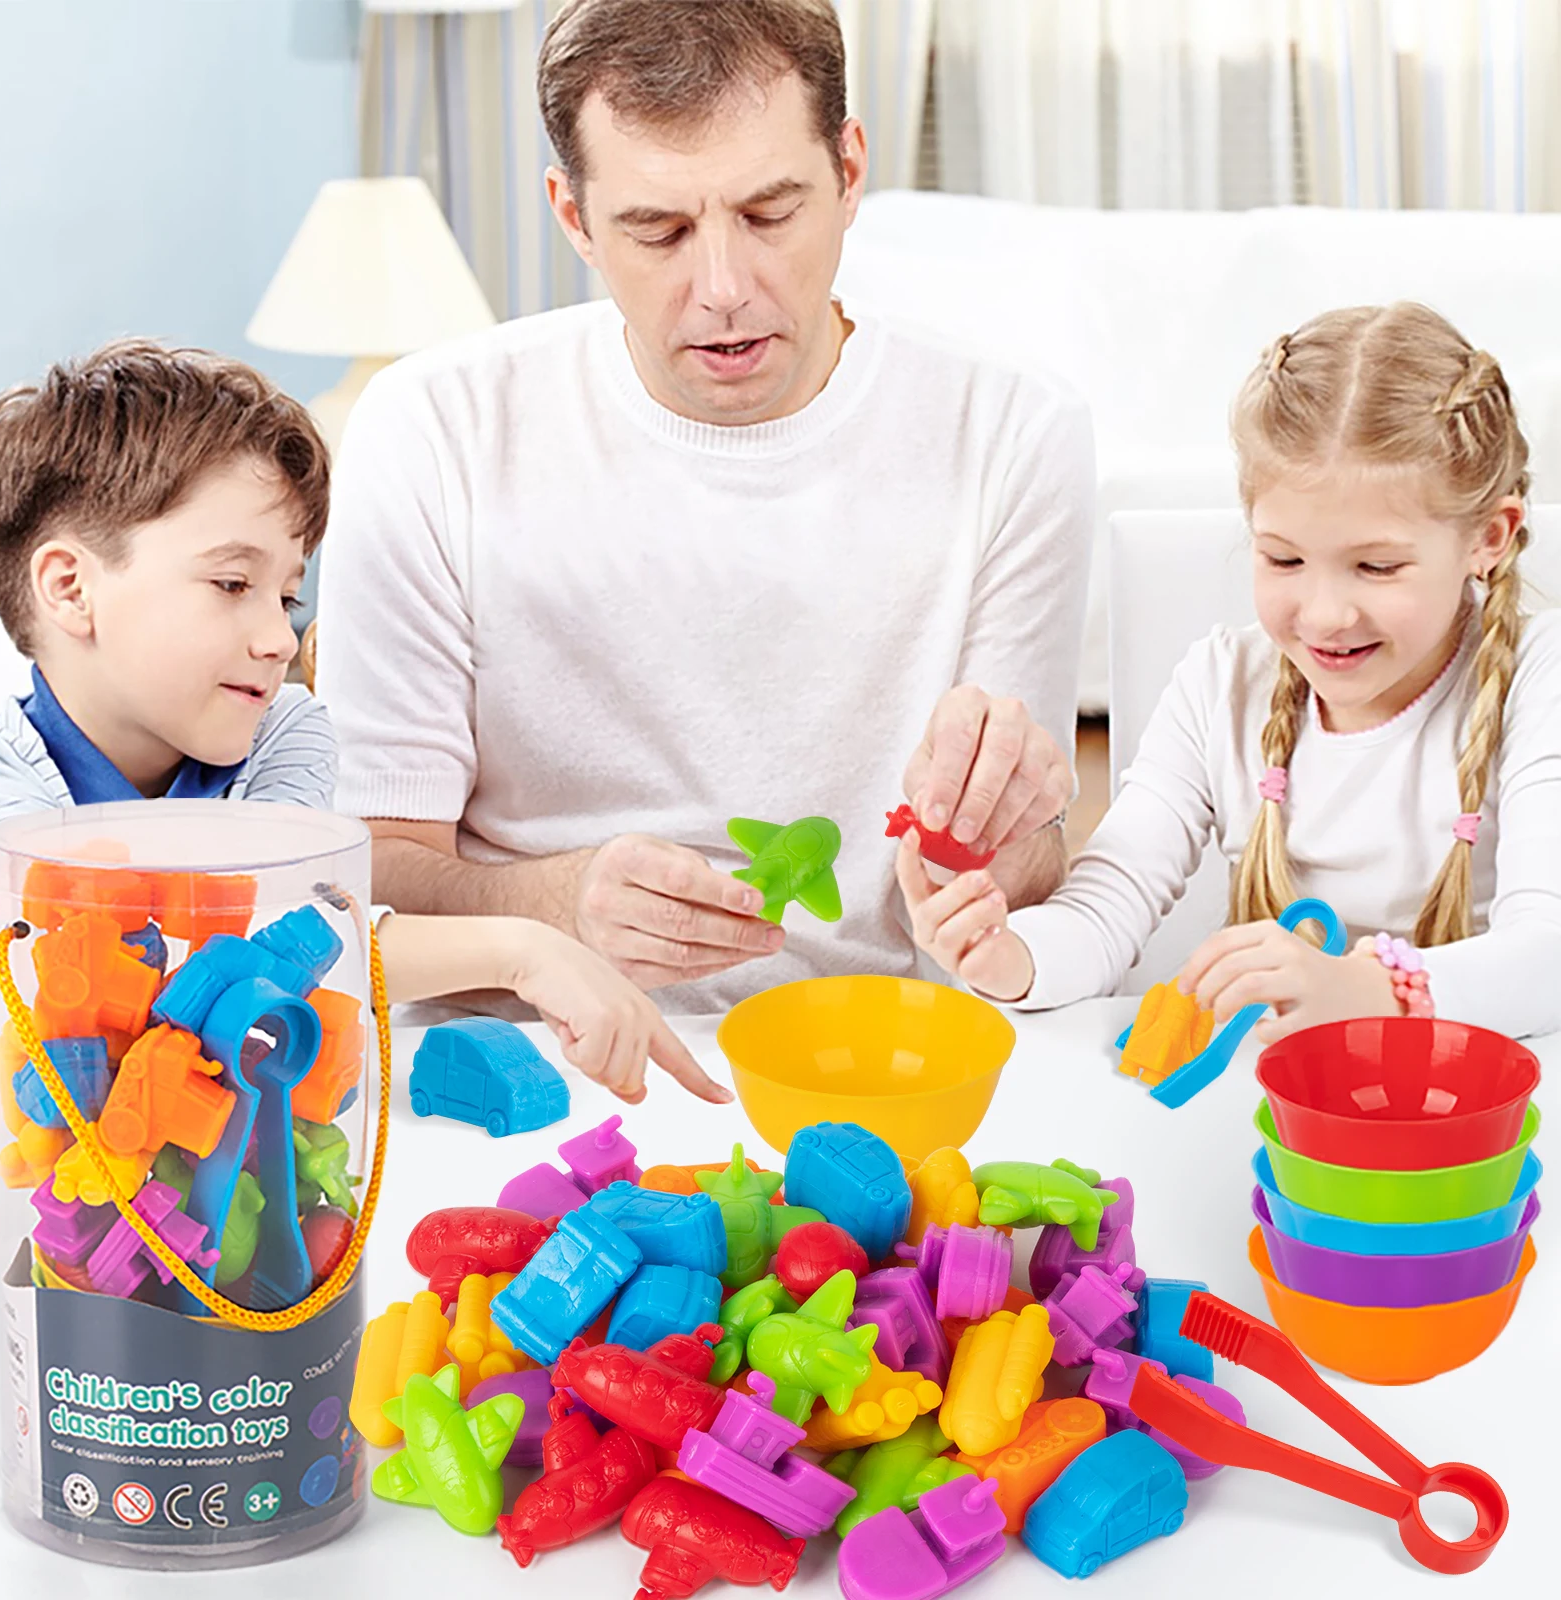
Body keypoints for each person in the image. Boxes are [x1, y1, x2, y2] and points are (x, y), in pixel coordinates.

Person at [315, 0, 1094, 1016]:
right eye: (659, 230)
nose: (723, 287)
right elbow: (366, 868)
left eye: (770, 214)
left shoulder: (1013, 431)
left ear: (849, 172)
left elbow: (1023, 873)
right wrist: (549, 901)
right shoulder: (434, 426)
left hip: (865, 1047)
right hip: (531, 1048)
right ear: (573, 217)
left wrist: (1009, 842)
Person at [0, 340, 726, 1104]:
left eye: (286, 596)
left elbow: (301, 939)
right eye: (232, 583)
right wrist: (518, 949)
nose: (279, 640)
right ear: (69, 588)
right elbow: (109, 988)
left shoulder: (283, 733)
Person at [901, 303, 1561, 1041]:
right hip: (1276, 1112)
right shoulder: (1221, 683)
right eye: (1283, 558)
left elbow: (1547, 959)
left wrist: (1361, 988)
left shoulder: (1539, 678)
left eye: (1376, 567)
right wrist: (1008, 955)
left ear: (1490, 538)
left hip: (1482, 1126)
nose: (1323, 615)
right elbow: (1106, 904)